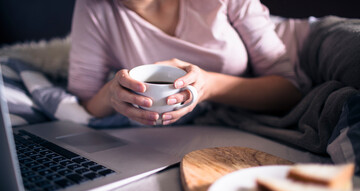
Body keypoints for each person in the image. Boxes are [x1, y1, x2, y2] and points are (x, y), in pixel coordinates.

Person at [68, 0, 308, 126]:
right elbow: (82, 105)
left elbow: (289, 92)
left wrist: (209, 86)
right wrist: (112, 94)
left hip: (305, 43)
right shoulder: (92, 7)